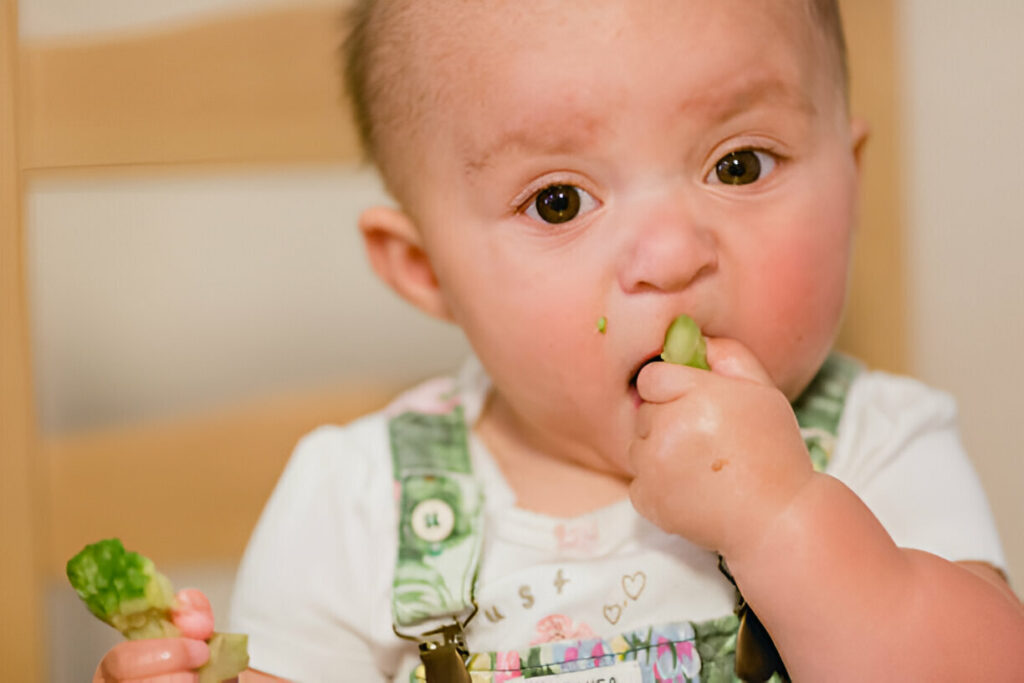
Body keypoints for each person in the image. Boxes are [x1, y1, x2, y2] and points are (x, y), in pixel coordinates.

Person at [93, 0, 1024, 681]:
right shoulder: (355, 501)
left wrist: (784, 519)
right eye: (559, 200)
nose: (670, 254)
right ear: (426, 271)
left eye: (739, 165)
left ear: (851, 183)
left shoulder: (875, 443)